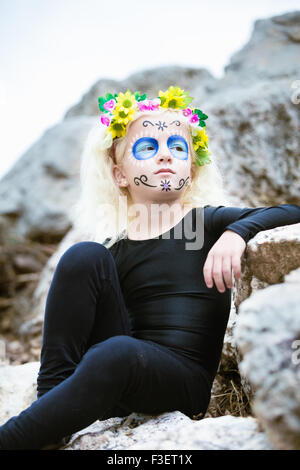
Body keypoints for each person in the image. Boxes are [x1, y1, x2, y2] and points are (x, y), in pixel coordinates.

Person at [0, 86, 299, 450]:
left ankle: (14, 439)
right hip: (114, 371)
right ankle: (53, 408)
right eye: (147, 148)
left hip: (178, 380)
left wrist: (238, 231)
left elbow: (290, 212)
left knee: (118, 352)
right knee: (83, 256)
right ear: (120, 175)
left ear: (192, 168)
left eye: (177, 147)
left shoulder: (203, 224)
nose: (165, 156)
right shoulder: (116, 250)